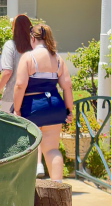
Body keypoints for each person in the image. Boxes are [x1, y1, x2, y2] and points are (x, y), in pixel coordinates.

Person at [13, 21, 73, 180]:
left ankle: (30, 192)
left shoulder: (28, 57)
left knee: (29, 150)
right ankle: (58, 187)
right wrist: (69, 110)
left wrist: (17, 109)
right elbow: (67, 86)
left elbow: (20, 85)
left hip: (31, 107)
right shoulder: (58, 58)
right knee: (52, 149)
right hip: (54, 107)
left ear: (32, 38)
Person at [0, 13, 33, 113]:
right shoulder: (34, 48)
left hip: (11, 96)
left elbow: (7, 72)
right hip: (31, 96)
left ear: (14, 28)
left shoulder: (10, 46)